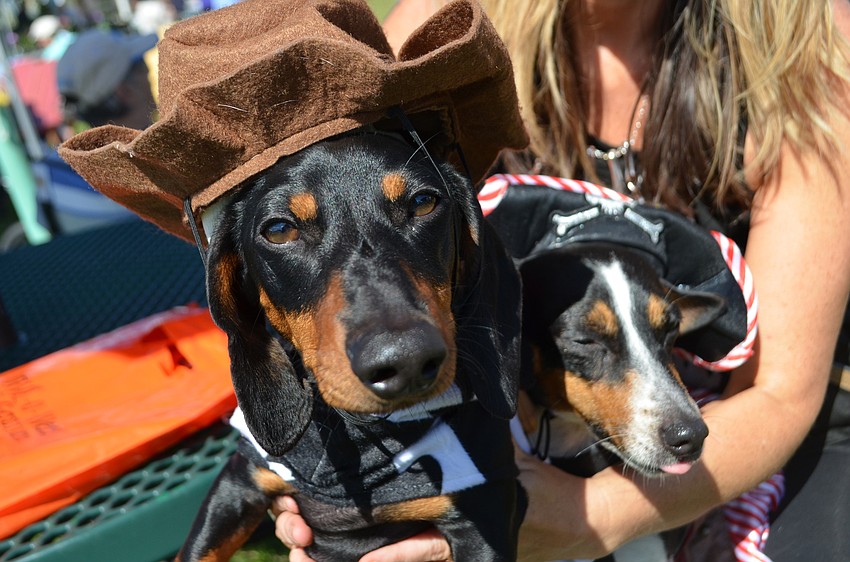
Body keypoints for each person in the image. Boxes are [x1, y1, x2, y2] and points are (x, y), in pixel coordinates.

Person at [275, 0, 850, 560]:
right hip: (524, 413)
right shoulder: (452, 24)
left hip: (764, 420)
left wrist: (588, 517)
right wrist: (324, 463)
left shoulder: (804, 80)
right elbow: (315, 205)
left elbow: (776, 393)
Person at [56, 29, 158, 131]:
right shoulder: (162, 143)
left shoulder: (103, 145)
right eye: (142, 65)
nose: (148, 70)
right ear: (124, 91)